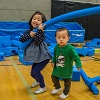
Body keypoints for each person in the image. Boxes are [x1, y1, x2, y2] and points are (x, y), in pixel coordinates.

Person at [20, 11, 52, 94]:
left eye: (39, 20)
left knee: (36, 71)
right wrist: (30, 35)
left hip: (44, 57)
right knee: (32, 73)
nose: (36, 21)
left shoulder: (42, 33)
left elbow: (37, 41)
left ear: (42, 23)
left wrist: (40, 31)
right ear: (31, 20)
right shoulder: (28, 31)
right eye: (34, 19)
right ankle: (38, 81)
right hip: (37, 57)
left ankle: (43, 87)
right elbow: (22, 39)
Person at [51, 28, 82, 99]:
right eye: (59, 37)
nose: (61, 39)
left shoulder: (70, 48)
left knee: (67, 82)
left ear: (68, 38)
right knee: (53, 77)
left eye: (63, 37)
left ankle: (65, 92)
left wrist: (78, 64)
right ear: (56, 38)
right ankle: (58, 87)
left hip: (66, 69)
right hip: (57, 68)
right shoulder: (56, 47)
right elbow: (55, 55)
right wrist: (53, 61)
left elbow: (76, 56)